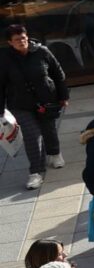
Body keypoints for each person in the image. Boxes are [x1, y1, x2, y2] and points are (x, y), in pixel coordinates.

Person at [0, 22, 69, 188]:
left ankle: (54, 153)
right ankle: (35, 172)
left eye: (23, 38)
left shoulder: (42, 52)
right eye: (17, 39)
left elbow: (58, 74)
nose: (21, 41)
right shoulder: (5, 59)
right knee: (33, 136)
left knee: (49, 129)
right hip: (20, 104)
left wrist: (63, 96)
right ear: (10, 42)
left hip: (46, 99)